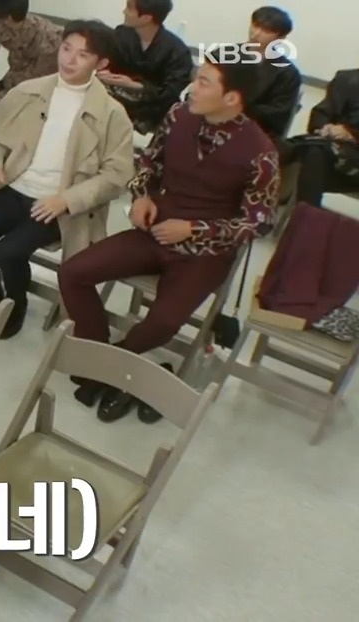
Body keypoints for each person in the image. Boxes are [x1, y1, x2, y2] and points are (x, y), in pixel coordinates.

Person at [58, 53, 278, 424]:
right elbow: (148, 163)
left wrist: (195, 229)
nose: (193, 87)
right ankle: (100, 356)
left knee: (163, 322)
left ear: (232, 98)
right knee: (72, 272)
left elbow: (258, 223)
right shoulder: (179, 116)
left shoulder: (261, 153)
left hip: (204, 253)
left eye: (204, 82)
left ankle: (112, 366)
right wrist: (141, 195)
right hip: (155, 231)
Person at [0, 19, 134, 339]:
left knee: (9, 252)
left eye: (82, 55)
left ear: (101, 64)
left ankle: (16, 305)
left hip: (57, 204)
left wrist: (66, 200)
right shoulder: (28, 92)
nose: (69, 60)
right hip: (15, 187)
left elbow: (117, 175)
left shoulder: (112, 114)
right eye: (66, 49)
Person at [100, 0, 193, 135]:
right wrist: (104, 73)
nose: (124, 12)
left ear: (146, 18)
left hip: (154, 110)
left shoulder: (177, 51)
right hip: (118, 100)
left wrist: (136, 86)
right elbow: (107, 61)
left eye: (129, 8)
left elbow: (171, 91)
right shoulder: (121, 34)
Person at [0, 0, 62, 114]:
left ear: (8, 19)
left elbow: (34, 78)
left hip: (39, 85)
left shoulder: (49, 41)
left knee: (0, 108)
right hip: (16, 72)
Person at [286, 68, 359, 207]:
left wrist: (351, 135)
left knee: (303, 150)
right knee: (313, 152)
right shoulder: (347, 79)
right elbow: (321, 113)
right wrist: (326, 128)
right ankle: (305, 214)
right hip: (336, 154)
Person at [245, 6, 301, 140]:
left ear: (280, 38)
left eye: (266, 30)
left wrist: (241, 107)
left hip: (255, 131)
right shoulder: (224, 54)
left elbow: (278, 113)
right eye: (255, 26)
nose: (256, 34)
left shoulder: (287, 73)